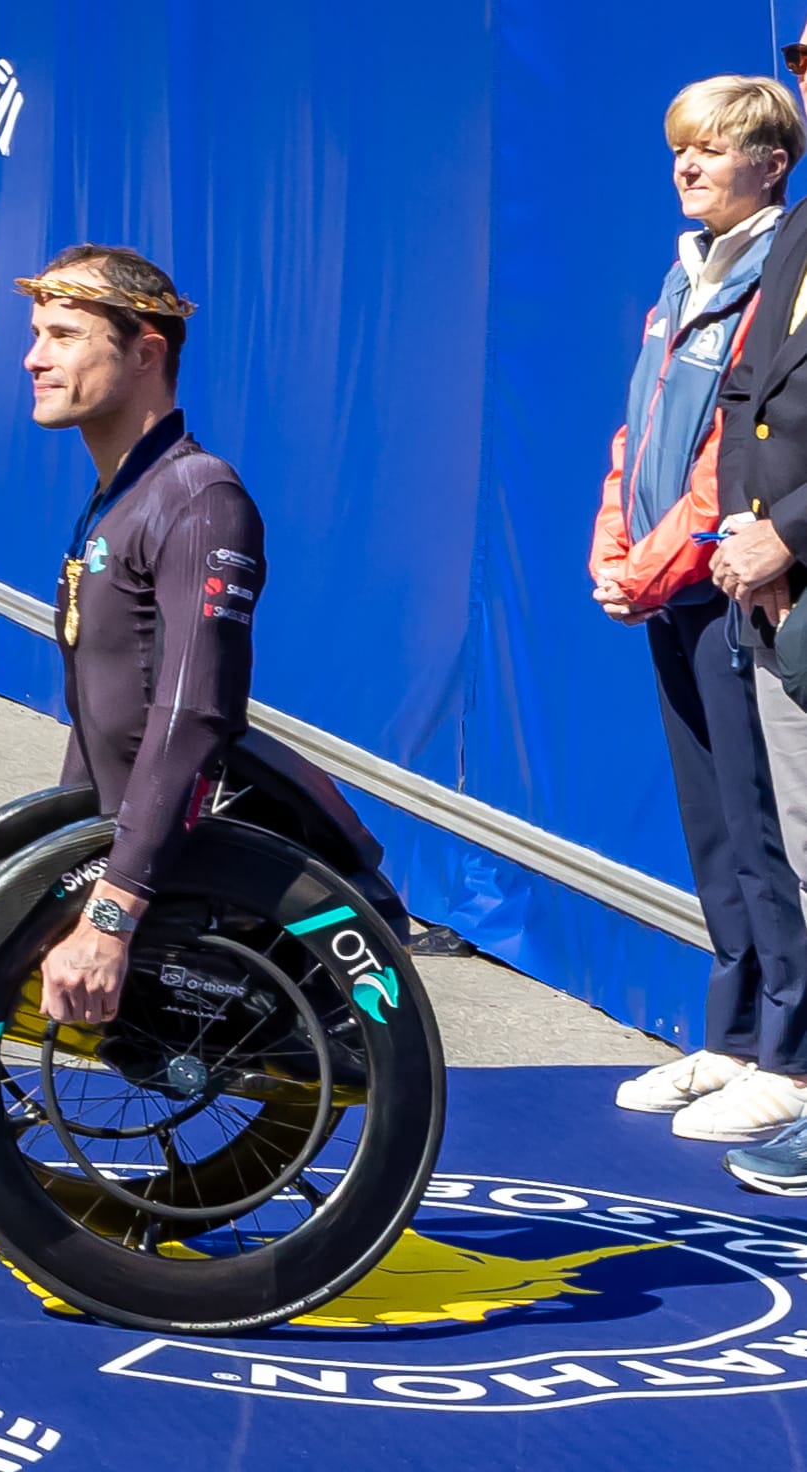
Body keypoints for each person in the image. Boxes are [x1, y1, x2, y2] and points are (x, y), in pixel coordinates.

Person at [596, 76, 807, 1153]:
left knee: (763, 828)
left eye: (712, 149)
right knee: (712, 826)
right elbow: (637, 432)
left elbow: (728, 457)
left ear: (771, 165)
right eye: (680, 148)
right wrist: (611, 542)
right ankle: (727, 1035)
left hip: (720, 581)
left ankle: (785, 1052)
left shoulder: (776, 270)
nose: (686, 165)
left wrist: (654, 567)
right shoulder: (685, 274)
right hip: (671, 587)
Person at [18, 245, 264, 1025]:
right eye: (36, 334)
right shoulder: (116, 500)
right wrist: (48, 876)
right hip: (111, 850)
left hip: (169, 881)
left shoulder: (199, 499)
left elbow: (194, 718)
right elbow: (97, 726)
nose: (33, 359)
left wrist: (109, 917)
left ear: (146, 353)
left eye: (63, 336)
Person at [706, 29, 807, 1196]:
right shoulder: (795, 233)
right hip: (780, 599)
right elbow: (744, 398)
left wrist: (790, 529)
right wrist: (747, 534)